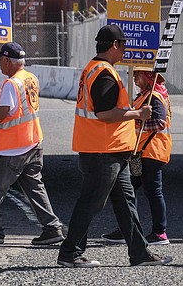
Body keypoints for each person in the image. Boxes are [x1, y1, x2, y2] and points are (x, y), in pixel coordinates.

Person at [57, 24, 172, 268]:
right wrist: (137, 113)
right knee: (91, 202)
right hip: (103, 151)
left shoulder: (96, 69)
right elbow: (106, 114)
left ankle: (139, 254)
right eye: (123, 46)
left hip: (111, 150)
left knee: (126, 203)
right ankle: (70, 253)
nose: (125, 51)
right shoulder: (104, 73)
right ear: (115, 46)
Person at [0, 42, 64, 246]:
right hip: (33, 142)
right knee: (34, 187)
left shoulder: (11, 84)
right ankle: (52, 228)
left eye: (0, 61)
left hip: (13, 148)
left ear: (6, 61)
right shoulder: (30, 78)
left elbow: (2, 113)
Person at [101, 66, 172, 246]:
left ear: (148, 76)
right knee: (127, 191)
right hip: (142, 152)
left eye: (137, 75)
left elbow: (159, 122)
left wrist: (133, 125)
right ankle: (127, 228)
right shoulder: (145, 95)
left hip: (151, 151)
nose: (134, 78)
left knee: (153, 192)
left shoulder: (153, 96)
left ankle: (159, 233)